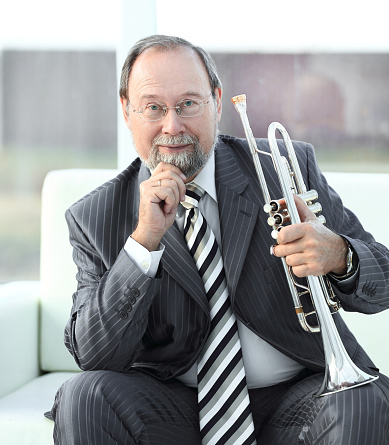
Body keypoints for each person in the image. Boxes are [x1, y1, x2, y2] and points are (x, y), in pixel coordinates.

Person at [50, 35, 389, 444]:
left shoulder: (285, 165)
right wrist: (143, 242)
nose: (172, 126)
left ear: (216, 100)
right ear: (127, 110)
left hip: (300, 396)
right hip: (174, 409)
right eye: (154, 107)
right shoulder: (94, 216)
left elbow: (382, 281)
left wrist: (339, 254)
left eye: (189, 104)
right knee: (81, 396)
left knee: (360, 400)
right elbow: (94, 355)